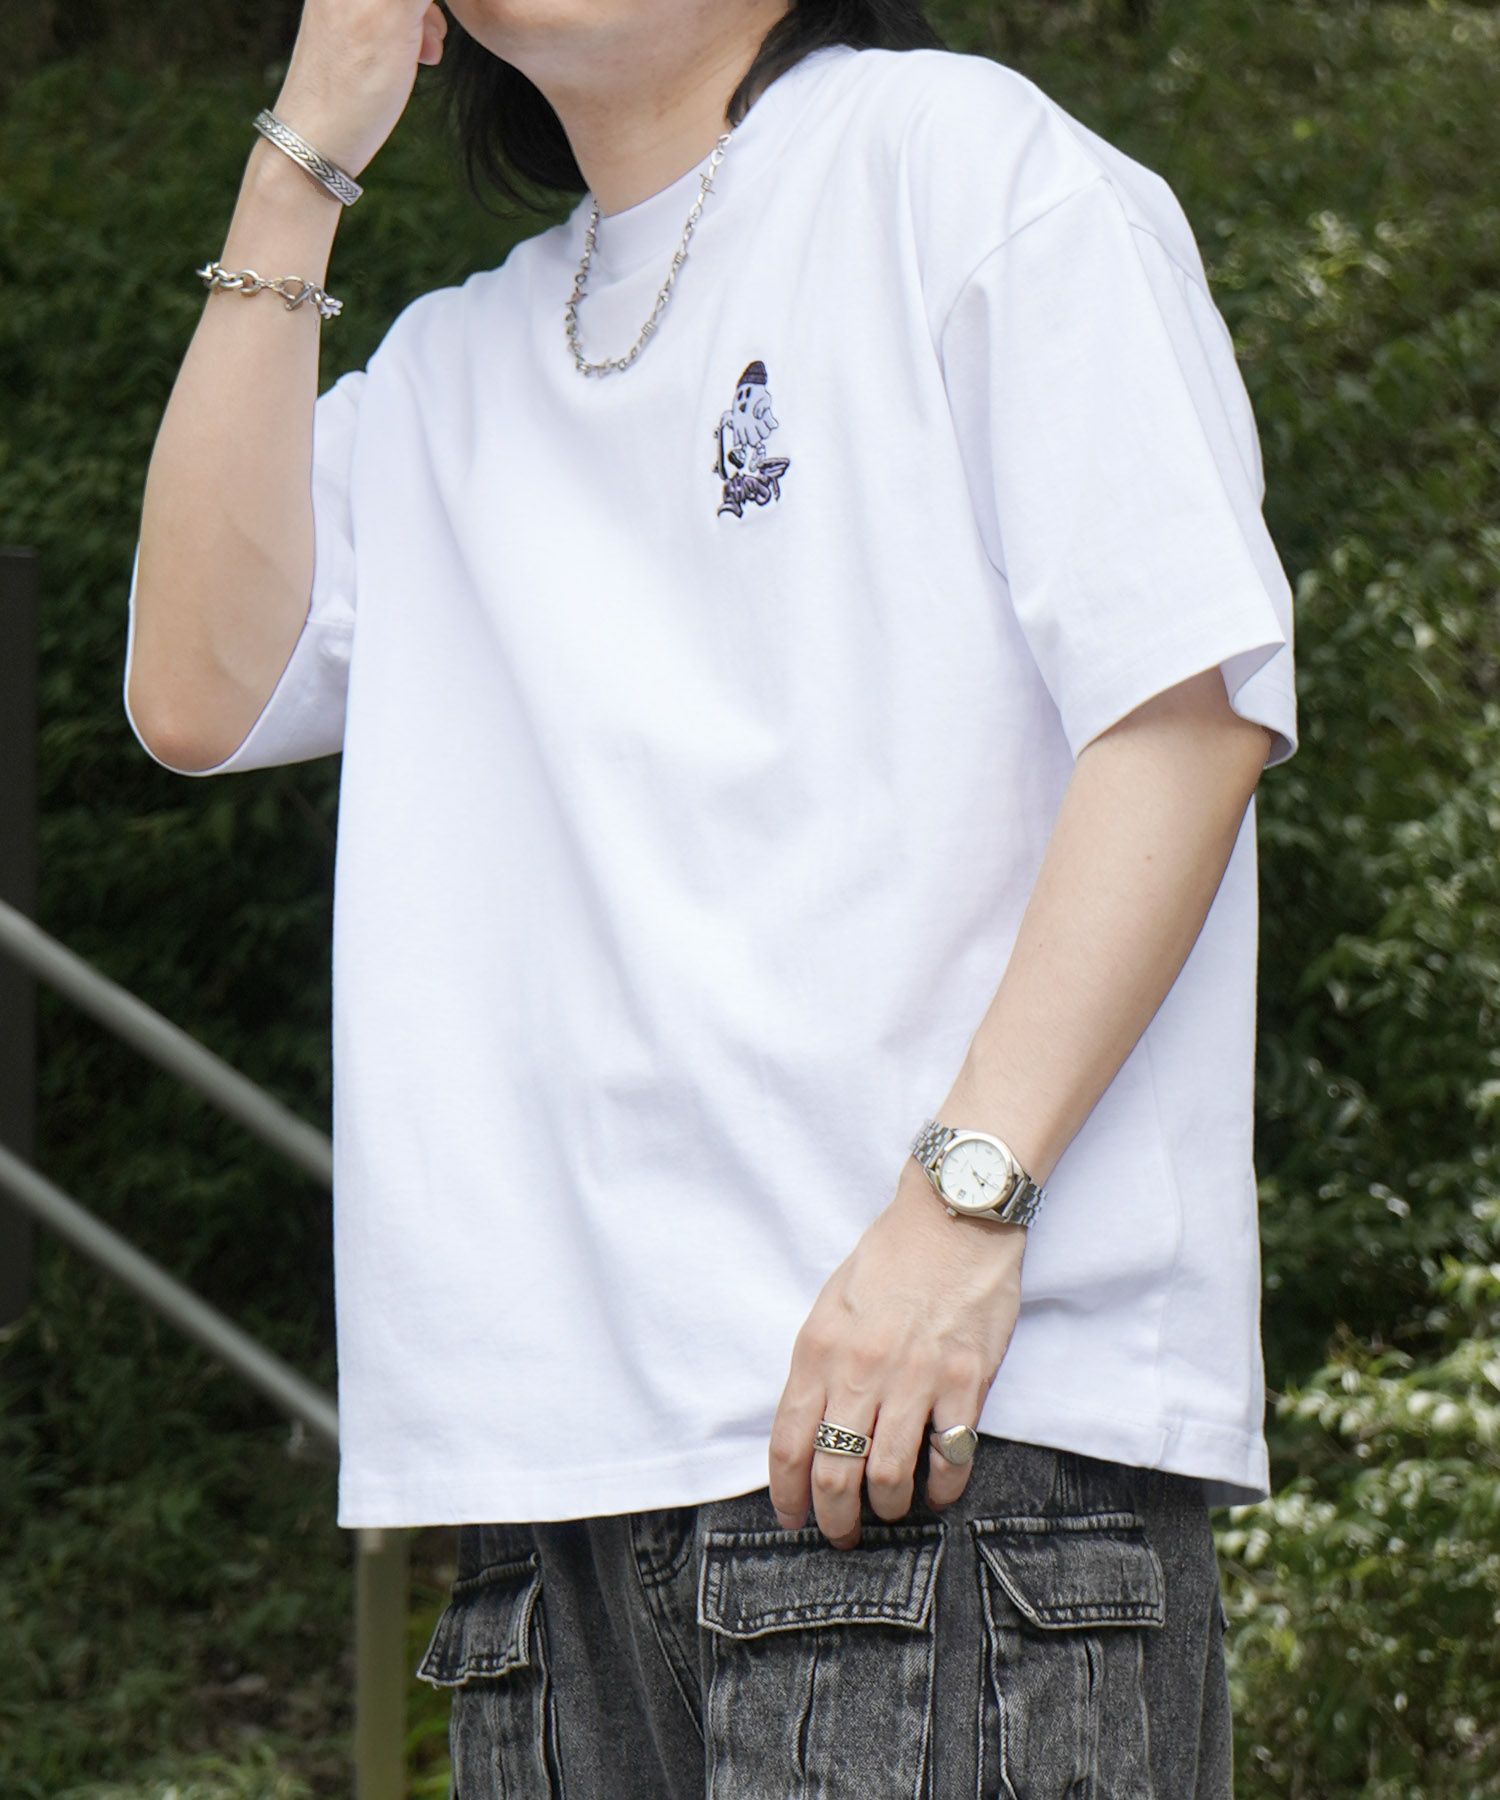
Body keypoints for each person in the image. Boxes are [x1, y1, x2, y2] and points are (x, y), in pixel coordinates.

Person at [121, 0, 1300, 1792]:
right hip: (551, 1515)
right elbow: (197, 691)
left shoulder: (954, 160)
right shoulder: (452, 368)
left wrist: (958, 1213)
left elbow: (1182, 713)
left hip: (948, 1443)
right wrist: (304, 157)